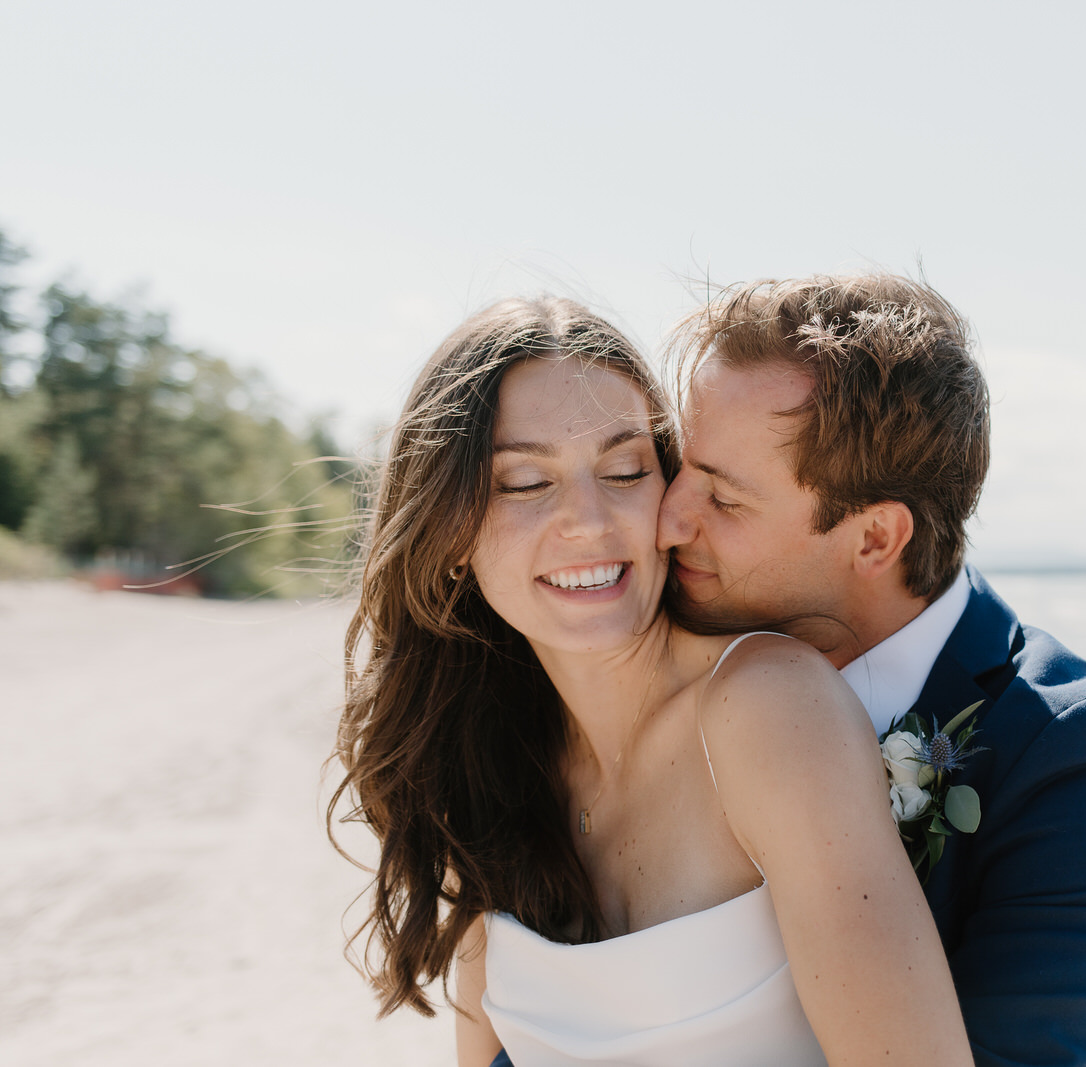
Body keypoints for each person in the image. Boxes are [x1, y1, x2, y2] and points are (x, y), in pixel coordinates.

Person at [329, 297, 974, 1067]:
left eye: (626, 469)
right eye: (526, 482)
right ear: (449, 533)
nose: (589, 519)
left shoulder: (767, 706)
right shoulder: (491, 762)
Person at [657, 274, 1086, 1066]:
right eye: (679, 465)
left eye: (724, 500)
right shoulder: (670, 677)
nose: (669, 519)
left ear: (875, 539)